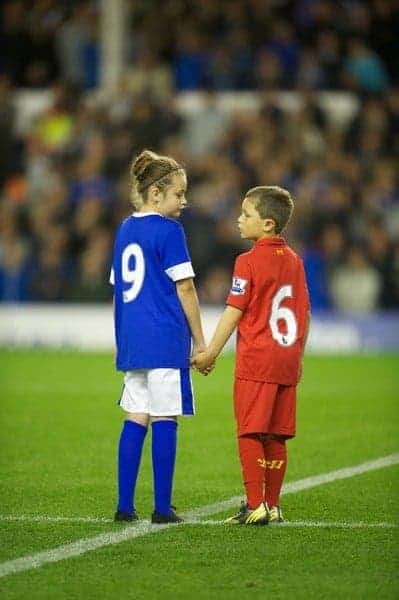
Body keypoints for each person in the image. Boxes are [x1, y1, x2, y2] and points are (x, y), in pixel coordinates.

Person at [192, 186, 310, 525]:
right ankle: (272, 505)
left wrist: (210, 353)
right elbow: (306, 312)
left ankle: (255, 504)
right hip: (287, 360)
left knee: (249, 431)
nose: (239, 220)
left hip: (257, 360)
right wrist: (297, 355)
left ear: (268, 224)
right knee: (276, 435)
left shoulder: (247, 261)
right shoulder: (295, 262)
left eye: (246, 215)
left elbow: (233, 310)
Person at [110, 149, 206, 524]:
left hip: (133, 341)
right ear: (155, 194)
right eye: (178, 194)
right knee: (166, 416)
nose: (184, 201)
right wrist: (200, 342)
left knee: (136, 415)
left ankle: (124, 506)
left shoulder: (124, 228)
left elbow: (118, 287)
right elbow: (185, 288)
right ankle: (163, 509)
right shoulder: (169, 230)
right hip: (165, 339)